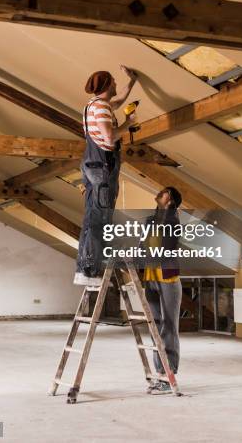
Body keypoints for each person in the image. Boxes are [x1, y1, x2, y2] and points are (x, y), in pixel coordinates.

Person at [74, 65, 138, 285]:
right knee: (99, 220)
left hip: (92, 166)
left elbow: (118, 102)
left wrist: (132, 81)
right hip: (102, 167)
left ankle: (85, 270)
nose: (117, 84)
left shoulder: (95, 105)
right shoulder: (101, 107)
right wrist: (128, 124)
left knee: (92, 217)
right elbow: (110, 139)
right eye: (114, 81)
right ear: (107, 84)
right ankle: (91, 272)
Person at [143, 186, 183, 395]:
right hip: (150, 279)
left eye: (165, 192)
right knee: (155, 327)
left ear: (171, 200)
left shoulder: (173, 221)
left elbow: (167, 248)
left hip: (168, 279)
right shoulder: (150, 221)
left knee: (169, 327)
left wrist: (169, 212)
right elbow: (143, 246)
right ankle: (159, 374)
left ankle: (169, 375)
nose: (160, 192)